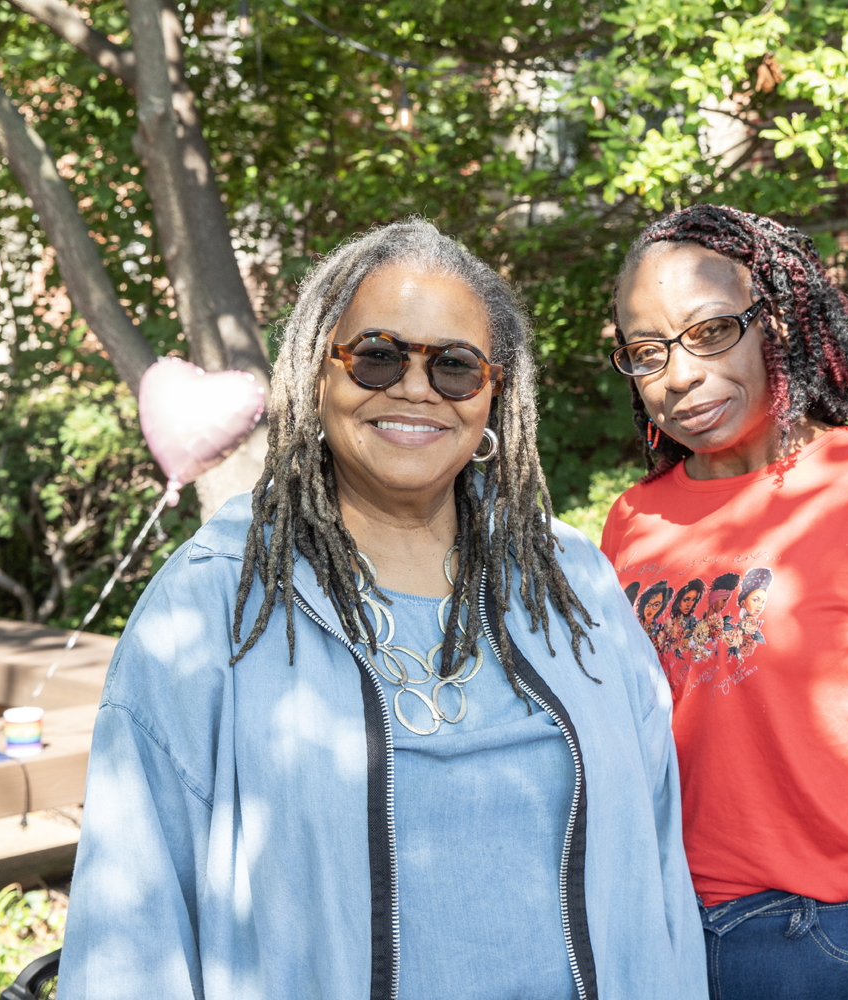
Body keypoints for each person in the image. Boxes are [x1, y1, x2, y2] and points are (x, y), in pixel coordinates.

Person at [58, 221, 706, 1000]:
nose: (414, 388)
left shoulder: (573, 586)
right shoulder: (211, 604)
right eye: (377, 355)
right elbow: (130, 930)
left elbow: (661, 875)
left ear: (494, 394)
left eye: (456, 367)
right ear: (317, 373)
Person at [600, 205, 848, 1000]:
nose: (679, 375)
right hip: (668, 936)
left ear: (775, 319)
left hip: (838, 943)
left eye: (712, 332)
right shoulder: (630, 523)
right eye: (647, 352)